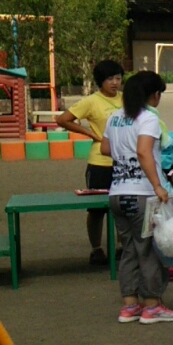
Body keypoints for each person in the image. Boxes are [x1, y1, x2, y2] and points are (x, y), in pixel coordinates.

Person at [101, 71, 173, 325]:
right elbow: (144, 152)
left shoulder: (115, 117)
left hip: (117, 192)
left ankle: (130, 305)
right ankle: (152, 305)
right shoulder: (148, 118)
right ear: (154, 95)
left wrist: (123, 153)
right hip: (142, 193)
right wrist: (158, 186)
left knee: (129, 250)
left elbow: (105, 148)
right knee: (148, 250)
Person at [57, 59, 124, 266]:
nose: (114, 83)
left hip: (124, 161)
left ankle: (122, 246)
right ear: (100, 81)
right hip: (100, 162)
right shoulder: (91, 101)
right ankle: (96, 249)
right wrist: (91, 134)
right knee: (96, 209)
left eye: (118, 78)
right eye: (110, 79)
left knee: (122, 206)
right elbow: (63, 119)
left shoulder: (127, 99)